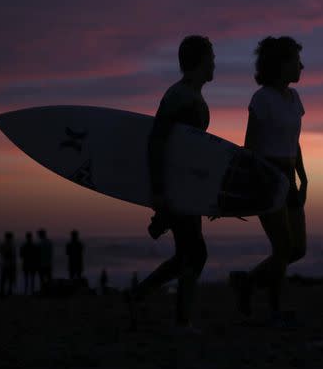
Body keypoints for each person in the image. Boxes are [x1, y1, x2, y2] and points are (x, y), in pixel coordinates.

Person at [129, 35, 215, 331]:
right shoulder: (178, 96)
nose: (215, 63)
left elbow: (193, 148)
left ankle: (141, 295)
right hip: (175, 185)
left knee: (187, 253)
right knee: (195, 252)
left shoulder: (193, 95)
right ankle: (181, 318)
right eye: (211, 57)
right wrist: (159, 192)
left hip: (188, 186)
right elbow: (157, 141)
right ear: (200, 61)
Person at [229, 36, 308, 323]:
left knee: (298, 249)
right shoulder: (262, 99)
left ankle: (247, 283)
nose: (301, 66)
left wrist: (303, 177)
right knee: (283, 248)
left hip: (290, 175)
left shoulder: (295, 99)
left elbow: (294, 142)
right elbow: (250, 145)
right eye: (296, 61)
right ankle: (275, 308)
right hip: (268, 175)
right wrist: (250, 183)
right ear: (281, 64)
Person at [0, 232, 17, 297]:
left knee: (4, 280)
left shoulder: (3, 245)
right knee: (9, 279)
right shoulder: (10, 245)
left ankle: (3, 292)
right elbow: (13, 257)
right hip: (9, 265)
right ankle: (7, 292)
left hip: (5, 264)